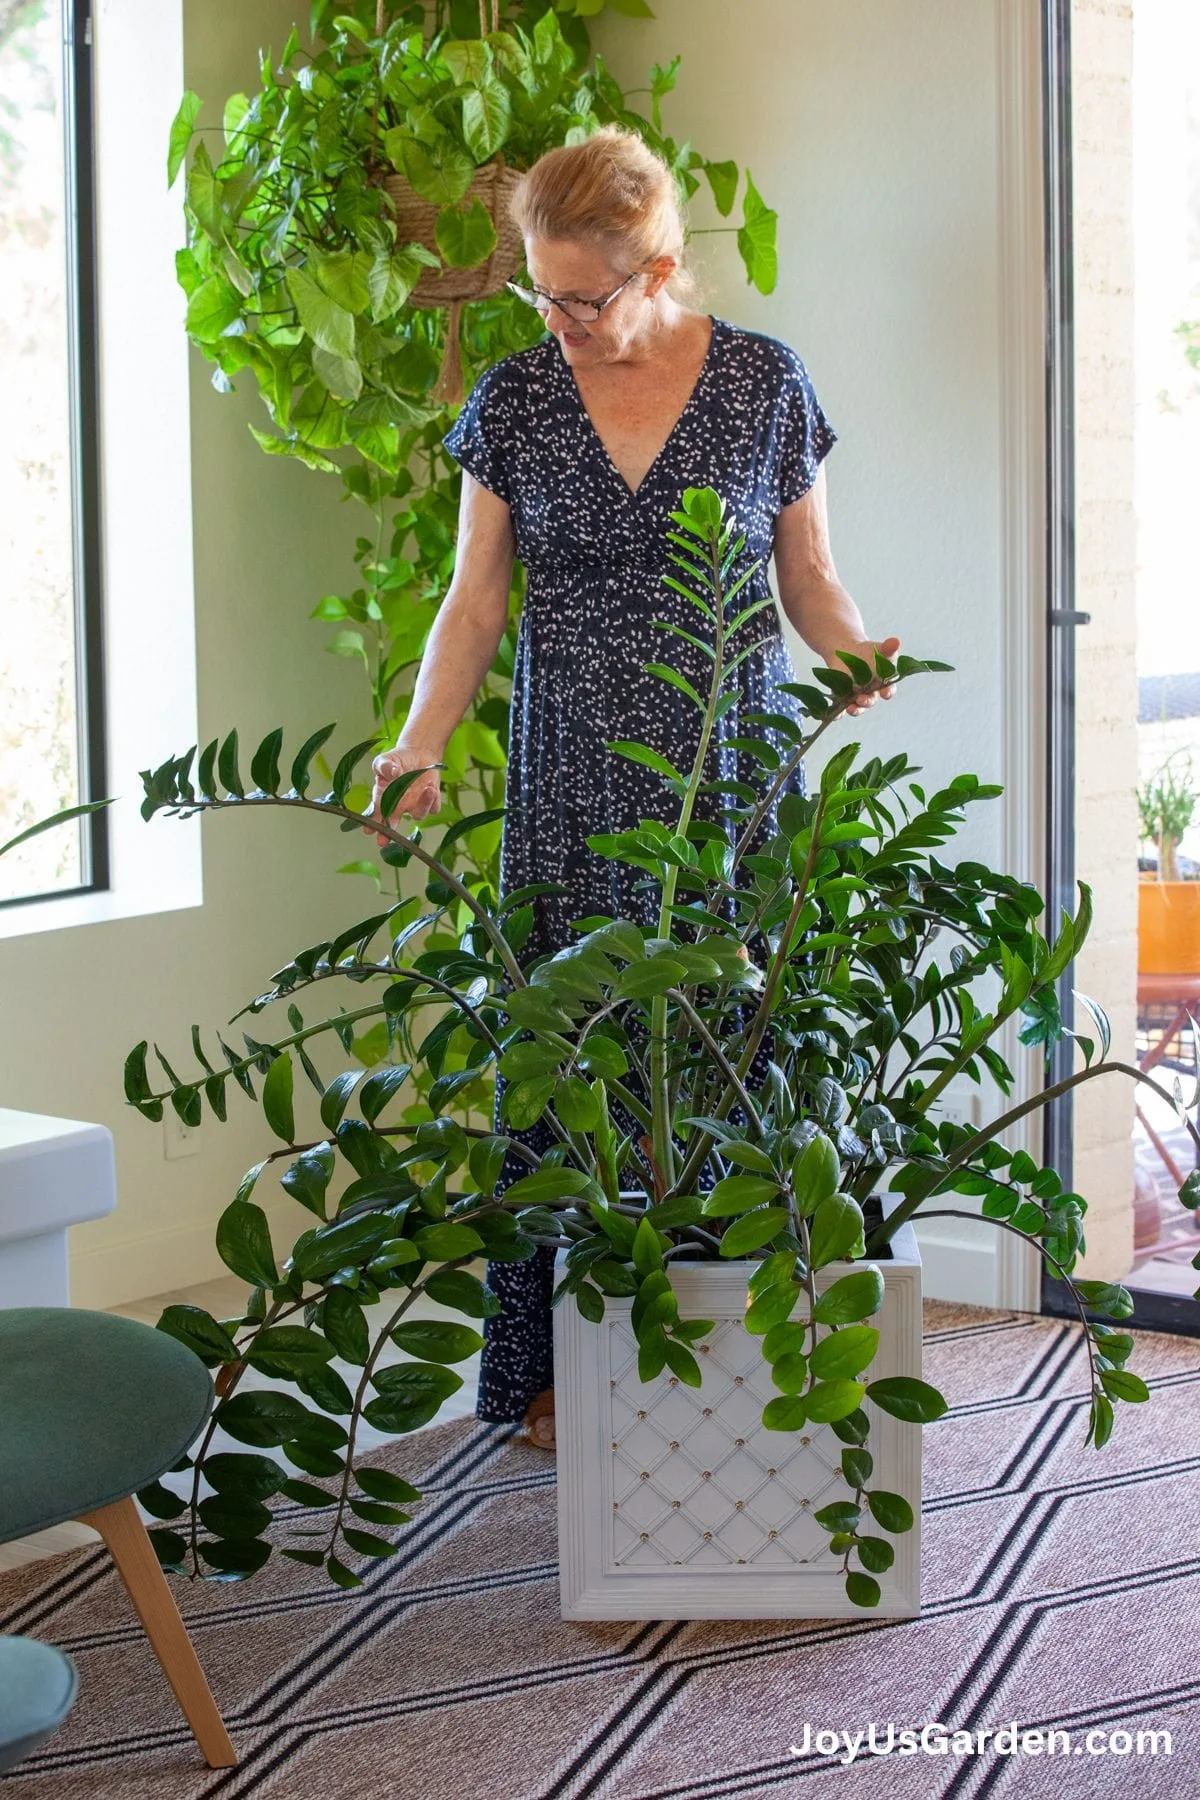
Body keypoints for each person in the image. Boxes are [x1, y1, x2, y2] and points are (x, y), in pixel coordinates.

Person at [366, 125, 899, 1446]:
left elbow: (810, 574)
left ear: (660, 265)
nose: (562, 324)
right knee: (565, 1062)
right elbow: (470, 603)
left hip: (723, 783)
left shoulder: (765, 386)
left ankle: (728, 1353)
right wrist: (420, 742)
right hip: (568, 785)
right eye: (541, 296)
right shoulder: (518, 400)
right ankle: (555, 1375)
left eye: (586, 299)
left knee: (727, 1061)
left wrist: (859, 654)